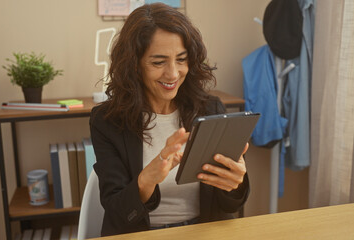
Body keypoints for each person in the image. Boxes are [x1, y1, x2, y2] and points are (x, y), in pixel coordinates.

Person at [90, 3, 249, 237]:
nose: (173, 73)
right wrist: (147, 179)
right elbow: (116, 211)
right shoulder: (107, 121)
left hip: (204, 231)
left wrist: (235, 183)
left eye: (181, 59)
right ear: (134, 65)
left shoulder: (210, 108)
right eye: (158, 62)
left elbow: (231, 206)